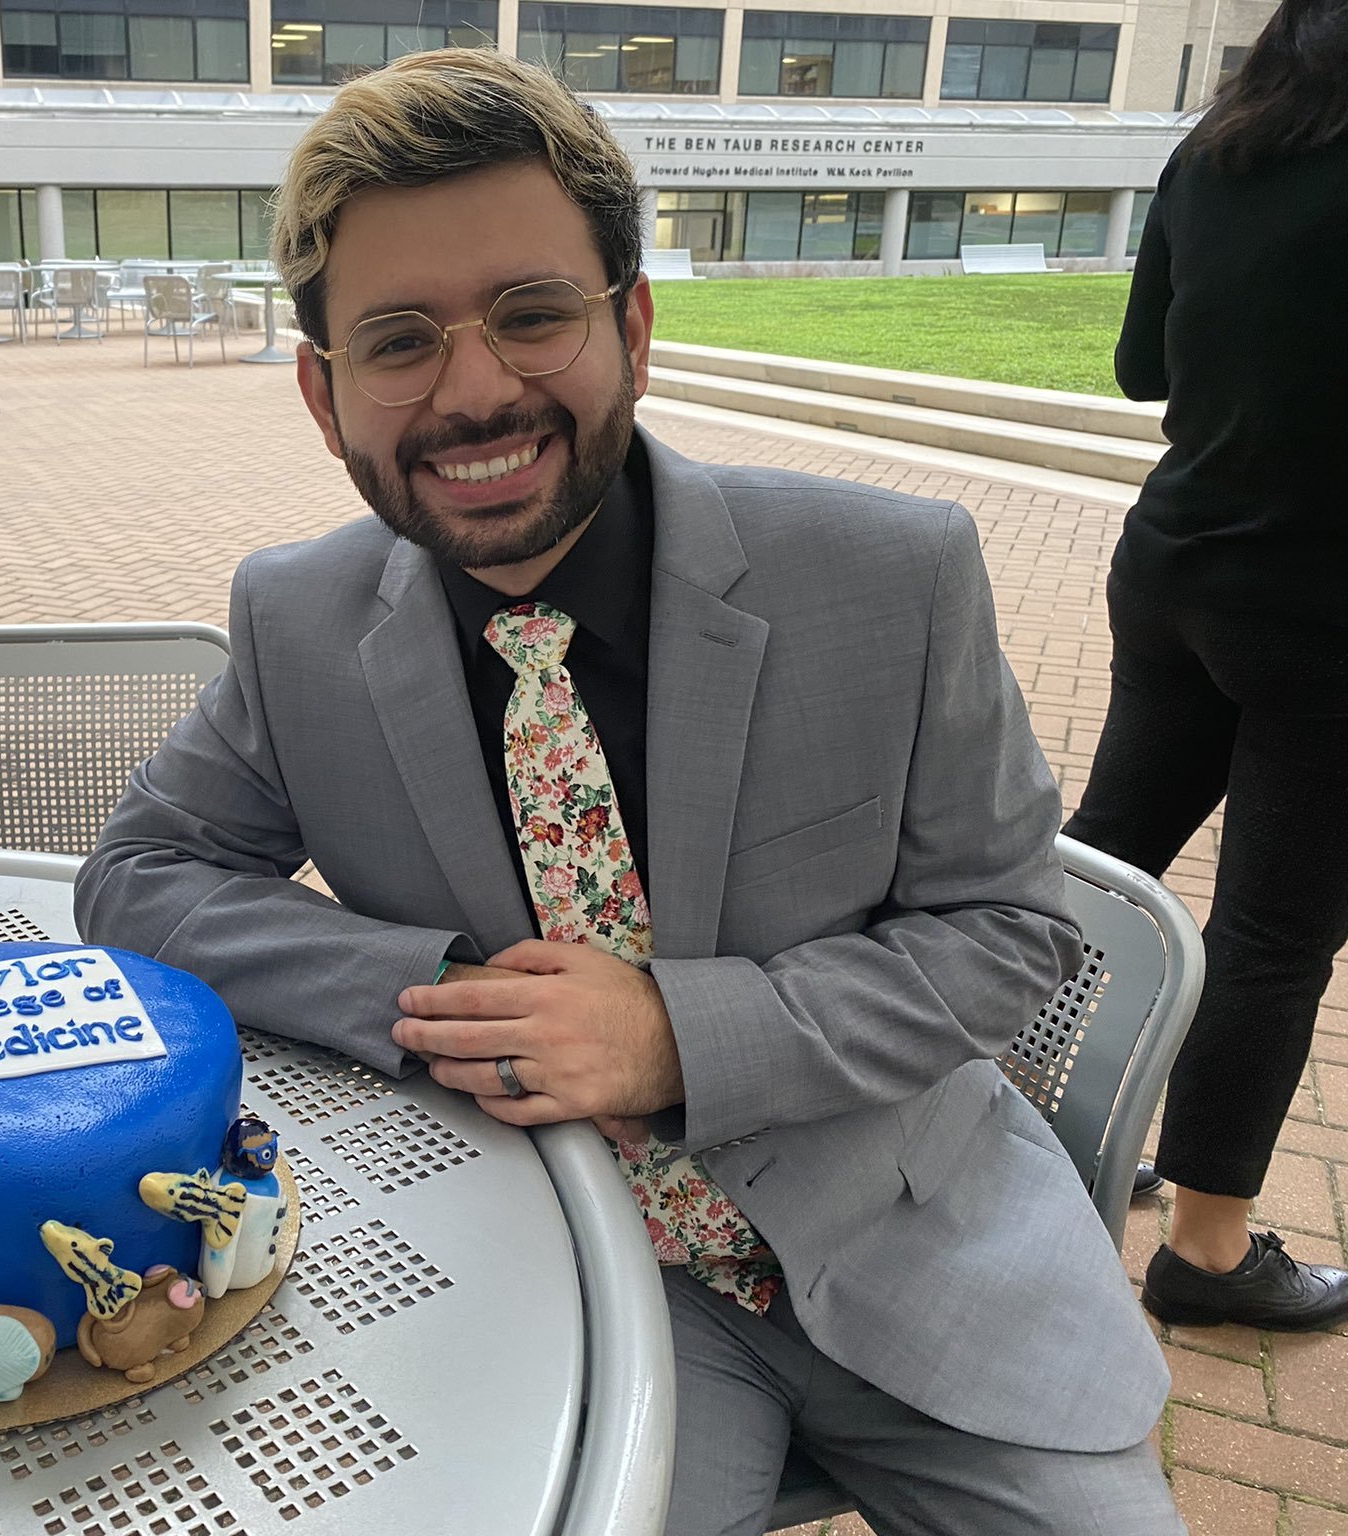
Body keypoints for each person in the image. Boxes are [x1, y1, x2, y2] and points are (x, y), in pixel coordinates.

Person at [76, 49, 1179, 1535]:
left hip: (924, 1254)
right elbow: (143, 877)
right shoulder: (298, 620)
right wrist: (449, 993)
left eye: (532, 316)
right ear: (324, 395)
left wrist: (673, 1033)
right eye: (399, 342)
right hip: (576, 1284)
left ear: (635, 327)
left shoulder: (893, 576)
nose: (476, 393)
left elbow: (1007, 933)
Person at [1063, 0, 1348, 1331]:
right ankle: (1210, 1254)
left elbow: (1137, 365)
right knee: (1274, 940)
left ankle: (1021, 1123)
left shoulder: (1215, 148)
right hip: (1323, 608)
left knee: (1104, 858)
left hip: (1173, 564)